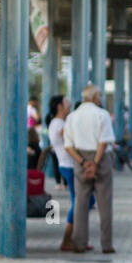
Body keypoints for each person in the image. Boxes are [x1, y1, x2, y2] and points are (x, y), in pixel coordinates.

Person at [63, 84, 115, 255]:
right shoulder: (102, 115)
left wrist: (84, 162)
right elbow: (104, 141)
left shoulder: (72, 117)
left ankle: (79, 243)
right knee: (104, 204)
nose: (100, 99)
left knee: (80, 203)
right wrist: (95, 162)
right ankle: (106, 245)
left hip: (80, 160)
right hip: (101, 160)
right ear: (94, 98)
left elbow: (68, 146)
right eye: (99, 96)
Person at [47, 95, 93, 252]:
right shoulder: (58, 124)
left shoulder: (61, 123)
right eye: (67, 103)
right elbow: (70, 135)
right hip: (69, 166)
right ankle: (68, 239)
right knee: (82, 202)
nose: (70, 106)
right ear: (60, 107)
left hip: (70, 166)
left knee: (84, 202)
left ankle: (78, 238)